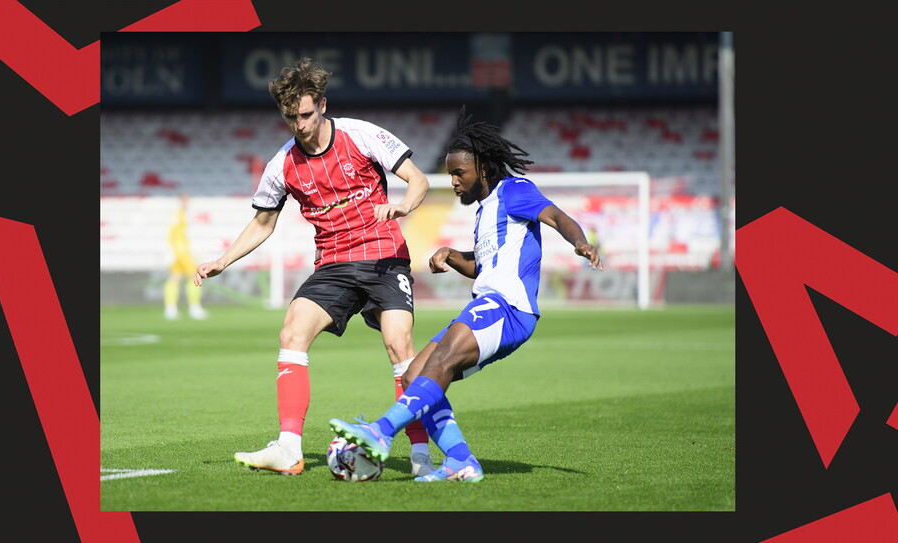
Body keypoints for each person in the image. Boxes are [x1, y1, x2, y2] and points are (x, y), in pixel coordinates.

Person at [329, 106, 604, 482]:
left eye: (459, 173)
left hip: (508, 307)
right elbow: (486, 265)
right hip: (487, 304)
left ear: (484, 169)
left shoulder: (515, 191)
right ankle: (461, 461)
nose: (454, 181)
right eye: (451, 174)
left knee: (439, 361)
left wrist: (581, 243)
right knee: (414, 375)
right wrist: (454, 257)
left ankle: (379, 432)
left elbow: (556, 217)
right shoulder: (484, 211)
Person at [194, 58, 434, 476]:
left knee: (399, 345)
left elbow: (418, 179)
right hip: (334, 264)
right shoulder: (281, 165)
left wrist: (403, 206)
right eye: (291, 117)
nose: (300, 125)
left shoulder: (361, 134)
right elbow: (264, 222)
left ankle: (419, 452)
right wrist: (223, 260)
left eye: (306, 114)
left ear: (322, 105)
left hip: (383, 254)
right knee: (292, 330)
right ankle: (289, 448)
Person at [164, 193, 208, 320]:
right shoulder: (178, 215)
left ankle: (170, 309)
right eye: (185, 201)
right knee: (193, 276)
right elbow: (173, 234)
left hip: (178, 251)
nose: (187, 203)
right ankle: (194, 308)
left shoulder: (180, 215)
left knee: (174, 278)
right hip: (182, 251)